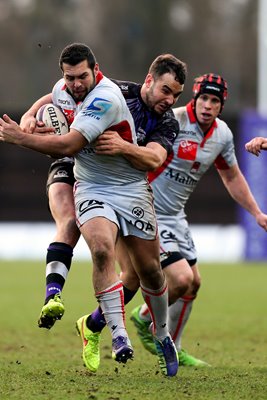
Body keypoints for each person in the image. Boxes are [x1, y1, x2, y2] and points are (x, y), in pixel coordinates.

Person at [0, 44, 187, 377]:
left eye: (176, 94)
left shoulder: (152, 116)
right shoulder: (113, 89)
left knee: (147, 273)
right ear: (149, 81)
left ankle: (157, 334)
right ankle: (116, 334)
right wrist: (29, 117)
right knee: (99, 248)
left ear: (93, 72)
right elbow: (54, 97)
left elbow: (155, 158)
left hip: (131, 188)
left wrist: (124, 146)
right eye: (166, 90)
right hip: (89, 182)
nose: (170, 99)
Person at [86, 73, 267, 369]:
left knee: (193, 284)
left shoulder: (222, 135)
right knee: (180, 279)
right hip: (148, 209)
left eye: (215, 101)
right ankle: (147, 322)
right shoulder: (172, 121)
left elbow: (232, 176)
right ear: (193, 99)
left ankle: (172, 344)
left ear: (222, 106)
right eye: (203, 99)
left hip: (176, 217)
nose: (208, 106)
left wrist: (257, 213)